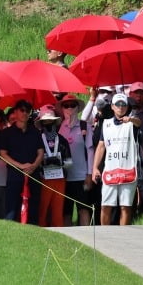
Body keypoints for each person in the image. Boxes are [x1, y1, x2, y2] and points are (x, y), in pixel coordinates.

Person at [93, 93, 143, 225]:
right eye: (118, 104)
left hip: (128, 170)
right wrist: (95, 168)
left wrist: (130, 120)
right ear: (112, 106)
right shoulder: (106, 123)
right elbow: (101, 146)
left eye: (123, 104)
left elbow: (139, 123)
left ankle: (123, 236)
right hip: (110, 171)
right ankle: (104, 236)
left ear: (127, 107)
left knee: (125, 207)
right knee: (105, 206)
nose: (121, 107)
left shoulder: (132, 122)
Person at [0, 100, 42, 223]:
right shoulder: (6, 133)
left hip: (33, 175)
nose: (25, 113)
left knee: (33, 209)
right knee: (12, 210)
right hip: (14, 176)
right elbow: (3, 154)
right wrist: (21, 166)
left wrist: (33, 166)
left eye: (27, 111)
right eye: (22, 110)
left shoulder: (35, 132)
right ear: (15, 112)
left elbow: (40, 152)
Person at [57, 94, 92, 226]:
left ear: (78, 108)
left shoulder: (85, 126)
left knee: (83, 208)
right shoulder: (59, 128)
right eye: (66, 105)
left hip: (81, 176)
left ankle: (87, 237)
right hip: (65, 176)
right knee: (66, 210)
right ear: (62, 108)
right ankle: (69, 239)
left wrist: (89, 174)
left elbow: (90, 150)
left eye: (73, 105)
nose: (70, 108)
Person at [34, 107, 69, 227]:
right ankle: (41, 231)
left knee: (58, 210)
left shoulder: (63, 141)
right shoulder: (37, 140)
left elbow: (70, 162)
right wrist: (43, 164)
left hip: (60, 180)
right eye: (46, 122)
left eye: (51, 121)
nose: (48, 124)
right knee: (42, 209)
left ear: (55, 122)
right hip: (43, 180)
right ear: (42, 123)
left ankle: (59, 232)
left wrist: (61, 164)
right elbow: (33, 161)